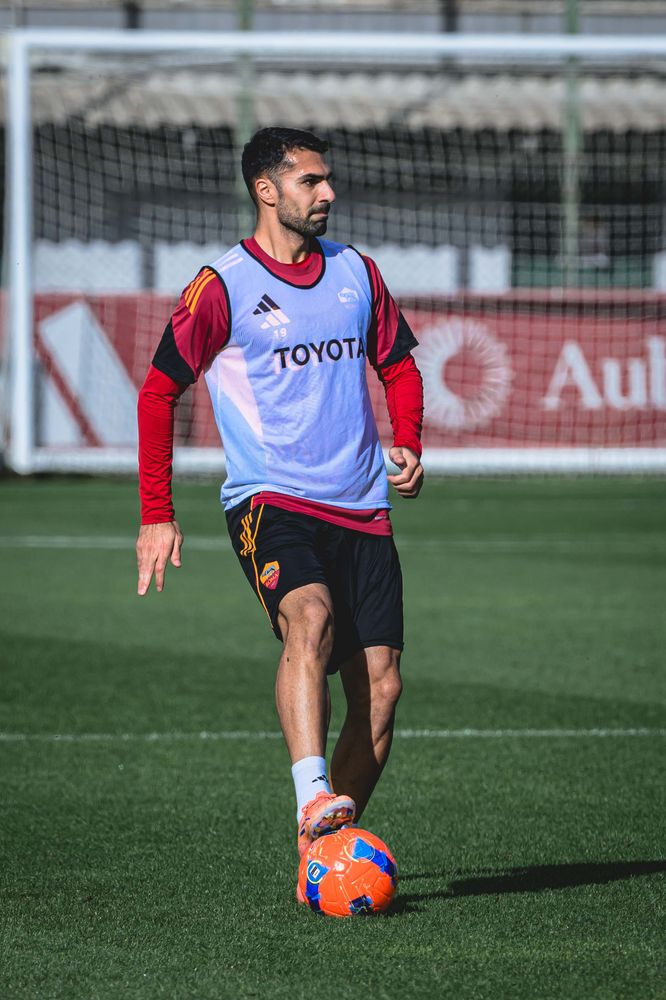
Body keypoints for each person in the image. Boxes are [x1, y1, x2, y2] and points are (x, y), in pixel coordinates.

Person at [136, 127, 424, 893]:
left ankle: (327, 855)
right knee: (311, 617)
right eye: (310, 182)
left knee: (383, 690)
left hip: (362, 504)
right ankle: (311, 802)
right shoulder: (222, 285)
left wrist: (411, 444)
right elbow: (159, 389)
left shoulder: (357, 273)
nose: (327, 194)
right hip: (271, 498)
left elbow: (398, 366)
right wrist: (156, 514)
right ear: (267, 190)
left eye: (327, 181)